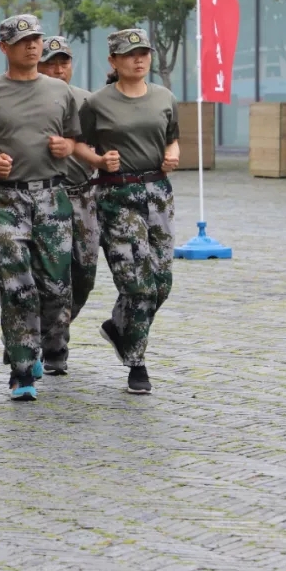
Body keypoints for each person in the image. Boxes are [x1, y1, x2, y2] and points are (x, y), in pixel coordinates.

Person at [0, 14, 80, 402]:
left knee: (56, 286)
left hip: (53, 197)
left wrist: (67, 148)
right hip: (7, 198)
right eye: (23, 40)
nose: (32, 46)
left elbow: (74, 139)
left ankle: (45, 344)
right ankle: (21, 369)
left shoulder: (61, 92)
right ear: (4, 48)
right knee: (17, 286)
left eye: (37, 39)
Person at [81, 29, 179, 394]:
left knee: (161, 284)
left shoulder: (164, 97)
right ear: (113, 61)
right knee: (137, 285)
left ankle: (118, 325)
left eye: (143, 53)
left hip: (159, 193)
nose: (138, 59)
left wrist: (174, 151)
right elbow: (78, 143)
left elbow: (171, 134)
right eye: (129, 54)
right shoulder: (97, 102)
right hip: (117, 194)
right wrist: (97, 159)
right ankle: (136, 362)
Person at [37, 36, 103, 376]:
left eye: (63, 62)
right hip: (44, 197)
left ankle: (46, 330)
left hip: (82, 197)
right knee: (50, 277)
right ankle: (52, 347)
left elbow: (104, 144)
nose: (57, 69)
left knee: (84, 273)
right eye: (50, 62)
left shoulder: (87, 102)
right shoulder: (29, 100)